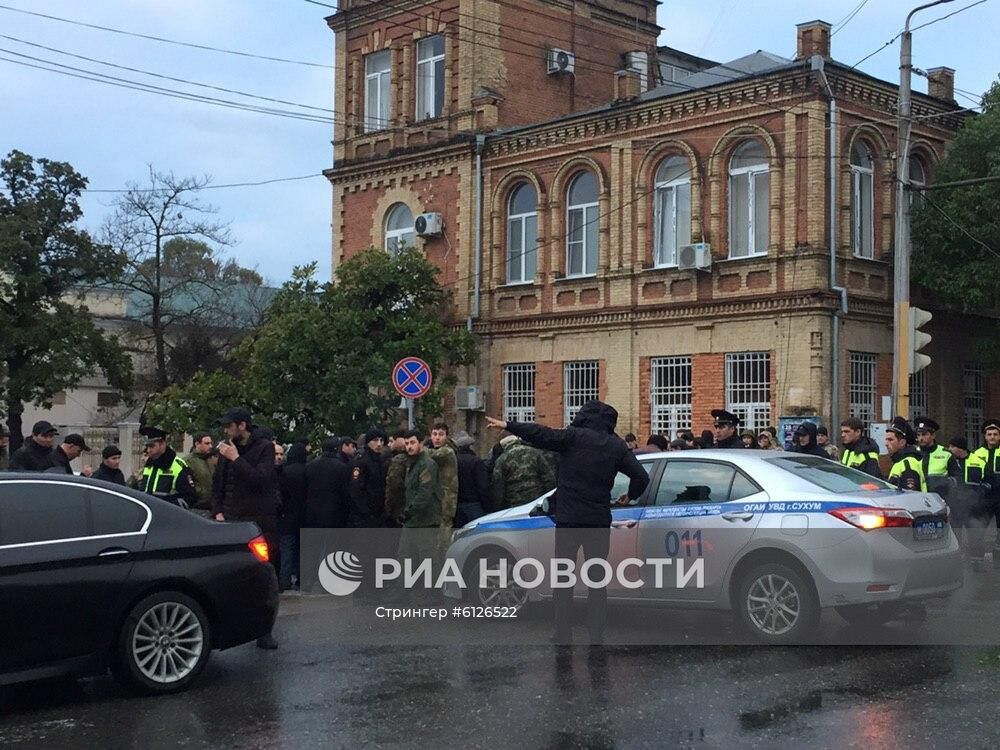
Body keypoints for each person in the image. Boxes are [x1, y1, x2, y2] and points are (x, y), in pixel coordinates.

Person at [486, 400, 649, 645]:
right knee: (597, 580)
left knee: (563, 580)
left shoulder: (573, 437)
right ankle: (596, 635)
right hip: (597, 521)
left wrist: (509, 424)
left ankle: (563, 633)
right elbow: (641, 476)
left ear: (584, 416)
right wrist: (631, 495)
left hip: (569, 520)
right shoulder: (616, 446)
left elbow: (541, 434)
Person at [212, 407, 279, 649]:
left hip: (258, 523)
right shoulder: (226, 450)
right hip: (230, 520)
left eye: (229, 425)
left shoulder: (264, 448)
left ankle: (264, 630)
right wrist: (217, 510)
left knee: (263, 578)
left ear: (242, 426)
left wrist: (236, 459)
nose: (226, 430)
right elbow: (218, 483)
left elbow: (260, 479)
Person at [398, 430, 443, 595]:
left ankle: (433, 593)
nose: (409, 447)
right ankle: (404, 591)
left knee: (428, 558)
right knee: (404, 556)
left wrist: (409, 511)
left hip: (425, 519)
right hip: (412, 520)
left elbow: (425, 492)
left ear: (421, 443)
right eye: (407, 444)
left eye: (412, 443)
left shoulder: (426, 464)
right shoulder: (413, 464)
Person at [947, 436, 989, 565]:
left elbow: (987, 481)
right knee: (955, 534)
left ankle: (978, 561)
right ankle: (957, 561)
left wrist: (979, 496)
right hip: (955, 504)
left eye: (952, 447)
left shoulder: (978, 460)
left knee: (975, 534)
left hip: (973, 505)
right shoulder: (949, 461)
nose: (949, 449)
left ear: (961, 448)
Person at [491, 433, 556, 510]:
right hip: (537, 501)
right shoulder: (535, 453)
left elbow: (498, 486)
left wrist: (497, 507)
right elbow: (549, 478)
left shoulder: (501, 459)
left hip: (514, 504)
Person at [278, 440, 309, 591]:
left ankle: (284, 580)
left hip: (287, 515)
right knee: (302, 548)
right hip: (305, 514)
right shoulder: (309, 471)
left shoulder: (284, 471)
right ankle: (303, 580)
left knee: (287, 548)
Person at [139, 427, 197, 508]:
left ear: (162, 444)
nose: (148, 450)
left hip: (168, 516)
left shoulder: (177, 466)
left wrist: (167, 507)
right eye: (147, 447)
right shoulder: (148, 465)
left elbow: (189, 498)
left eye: (152, 446)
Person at [304, 436, 352, 528]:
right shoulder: (342, 467)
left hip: (313, 514)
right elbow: (346, 493)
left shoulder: (310, 466)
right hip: (336, 514)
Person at [971, 418, 1000, 566]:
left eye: (995, 434)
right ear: (985, 436)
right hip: (985, 499)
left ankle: (997, 562)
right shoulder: (977, 453)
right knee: (978, 529)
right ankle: (977, 561)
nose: (992, 437)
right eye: (989, 434)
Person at [349, 427, 388, 528]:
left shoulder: (379, 459)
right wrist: (366, 511)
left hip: (378, 511)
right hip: (364, 515)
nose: (379, 444)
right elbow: (356, 488)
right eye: (375, 440)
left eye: (381, 440)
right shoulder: (361, 461)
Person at [913, 417, 959, 498]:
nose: (921, 438)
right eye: (918, 435)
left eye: (924, 434)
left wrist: (942, 483)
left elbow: (957, 478)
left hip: (941, 499)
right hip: (918, 499)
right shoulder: (913, 453)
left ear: (933, 435)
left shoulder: (945, 454)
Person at [428, 422, 459, 536]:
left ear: (446, 436)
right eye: (434, 434)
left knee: (443, 535)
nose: (437, 438)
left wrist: (417, 447)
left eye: (441, 434)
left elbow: (431, 455)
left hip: (446, 501)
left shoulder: (447, 451)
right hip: (437, 499)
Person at [454, 430, 489, 526]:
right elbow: (483, 486)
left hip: (456, 505)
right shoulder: (476, 461)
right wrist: (487, 505)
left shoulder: (453, 461)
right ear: (470, 446)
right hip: (474, 504)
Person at [884, 417, 927, 492]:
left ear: (902, 442)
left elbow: (910, 497)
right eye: (886, 440)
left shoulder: (908, 464)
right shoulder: (900, 462)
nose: (886, 444)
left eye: (890, 440)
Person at [185, 432, 216, 516]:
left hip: (212, 506)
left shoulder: (210, 460)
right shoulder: (188, 461)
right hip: (197, 506)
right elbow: (187, 483)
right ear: (197, 444)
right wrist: (199, 492)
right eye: (206, 443)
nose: (210, 446)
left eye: (210, 443)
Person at [384, 430, 410, 524]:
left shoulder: (398, 460)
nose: (390, 444)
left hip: (399, 510)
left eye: (392, 441)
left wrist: (388, 508)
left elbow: (394, 486)